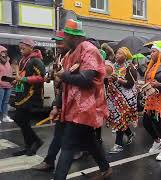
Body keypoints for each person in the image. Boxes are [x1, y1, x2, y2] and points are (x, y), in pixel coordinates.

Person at [53, 19, 111, 179]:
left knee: (68, 145)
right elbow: (65, 85)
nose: (63, 40)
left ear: (73, 37)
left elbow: (86, 80)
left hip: (85, 108)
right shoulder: (69, 55)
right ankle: (105, 168)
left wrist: (64, 76)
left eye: (65, 37)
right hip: (71, 108)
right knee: (89, 141)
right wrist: (57, 106)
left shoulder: (89, 51)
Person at [32, 31, 71, 172]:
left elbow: (68, 82)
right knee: (62, 133)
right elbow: (55, 75)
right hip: (62, 100)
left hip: (70, 103)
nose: (58, 45)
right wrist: (50, 77)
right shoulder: (58, 57)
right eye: (56, 42)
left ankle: (50, 161)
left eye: (60, 42)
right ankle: (102, 165)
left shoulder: (71, 58)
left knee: (61, 135)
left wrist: (56, 104)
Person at [12, 38, 45, 156]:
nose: (21, 50)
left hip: (31, 96)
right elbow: (21, 76)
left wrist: (24, 79)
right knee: (22, 120)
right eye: (20, 48)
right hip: (22, 94)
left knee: (20, 119)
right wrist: (17, 81)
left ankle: (36, 141)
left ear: (31, 48)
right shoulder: (22, 60)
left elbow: (41, 77)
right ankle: (29, 145)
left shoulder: (36, 60)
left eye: (23, 48)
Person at [106, 47, 138, 154]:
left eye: (120, 53)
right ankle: (129, 134)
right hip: (115, 97)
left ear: (125, 56)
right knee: (119, 118)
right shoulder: (113, 66)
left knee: (120, 119)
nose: (117, 55)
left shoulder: (130, 67)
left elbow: (130, 84)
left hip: (126, 98)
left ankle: (118, 144)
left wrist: (118, 79)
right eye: (116, 53)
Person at [0, 45, 14, 123]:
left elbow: (9, 72)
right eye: (2, 52)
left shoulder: (8, 61)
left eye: (5, 52)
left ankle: (5, 116)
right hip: (0, 86)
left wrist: (11, 80)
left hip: (8, 85)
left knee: (6, 102)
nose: (4, 53)